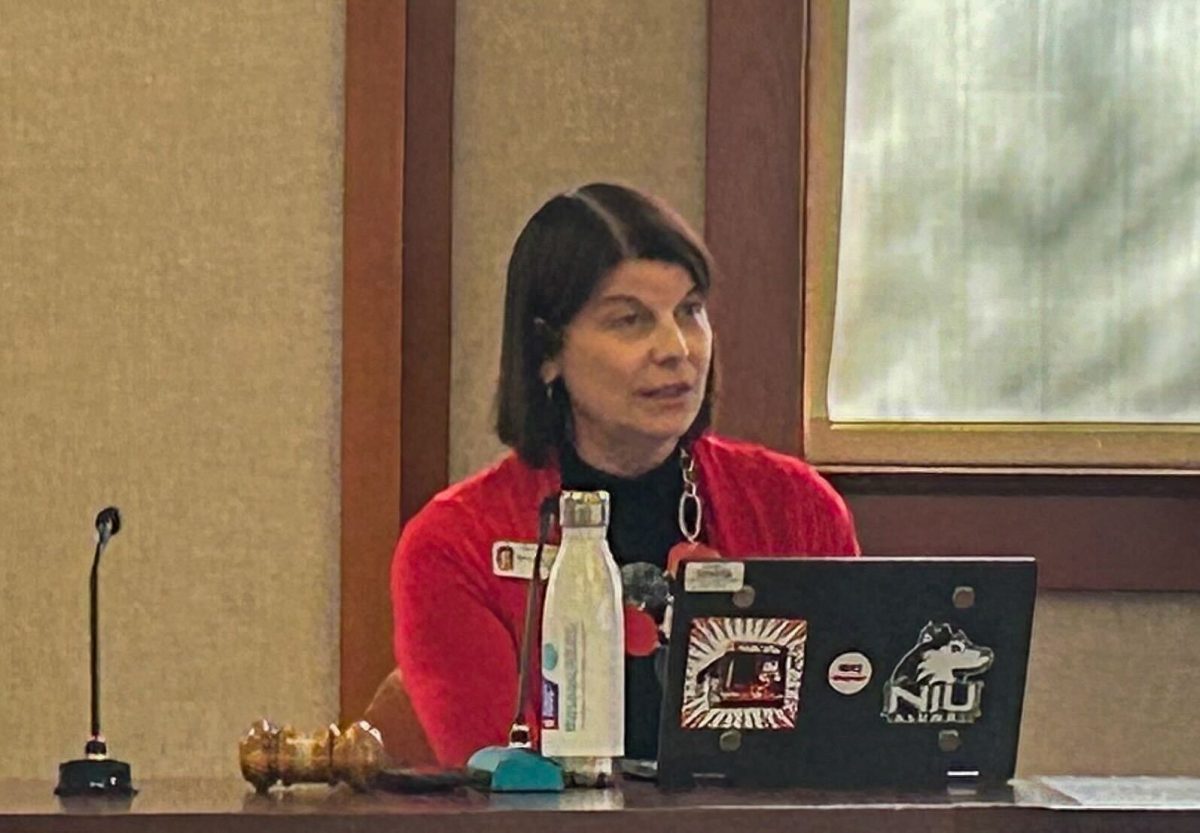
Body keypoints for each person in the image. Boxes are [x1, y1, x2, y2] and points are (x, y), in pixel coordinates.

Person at [391, 183, 859, 767]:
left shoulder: (795, 507)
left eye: (690, 312)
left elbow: (841, 751)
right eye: (630, 321)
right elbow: (502, 798)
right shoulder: (455, 545)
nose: (676, 348)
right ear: (546, 352)